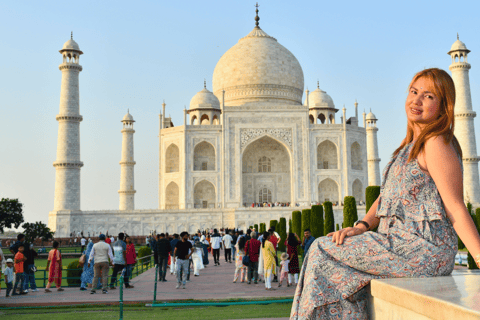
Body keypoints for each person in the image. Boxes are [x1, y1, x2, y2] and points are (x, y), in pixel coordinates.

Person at [291, 68, 480, 319]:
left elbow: (454, 205)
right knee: (331, 257)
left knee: (321, 249)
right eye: (414, 92)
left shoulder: (435, 142)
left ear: (445, 106)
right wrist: (361, 226)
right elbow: (386, 197)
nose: (417, 100)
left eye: (429, 96)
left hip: (423, 249)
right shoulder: (409, 147)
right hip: (402, 245)